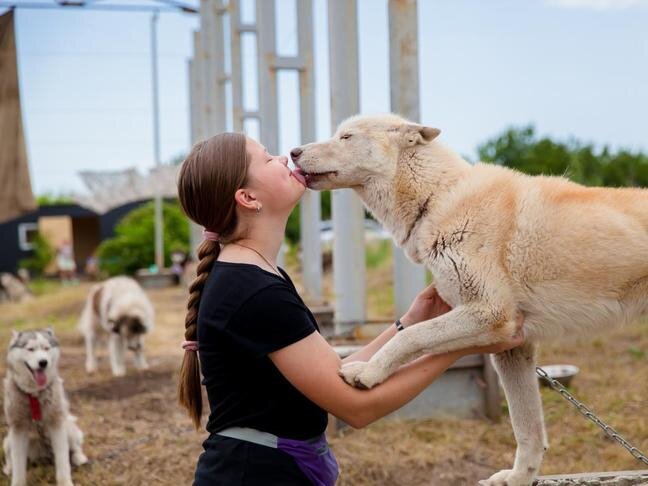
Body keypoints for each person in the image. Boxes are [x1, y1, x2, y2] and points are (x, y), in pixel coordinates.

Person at [176, 133, 525, 486]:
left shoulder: (256, 275)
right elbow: (356, 408)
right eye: (267, 159)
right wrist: (464, 342)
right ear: (248, 198)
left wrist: (411, 320)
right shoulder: (252, 291)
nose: (284, 158)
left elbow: (336, 372)